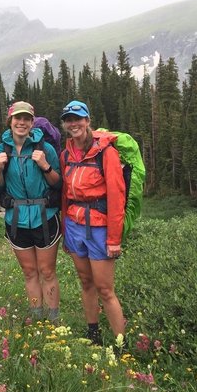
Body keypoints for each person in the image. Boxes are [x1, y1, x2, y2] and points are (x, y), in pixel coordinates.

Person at [59, 100, 126, 345]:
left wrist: (114, 239)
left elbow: (117, 197)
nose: (73, 123)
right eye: (69, 119)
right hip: (75, 227)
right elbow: (65, 195)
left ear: (87, 121)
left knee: (105, 289)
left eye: (78, 118)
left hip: (99, 229)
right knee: (86, 282)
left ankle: (121, 345)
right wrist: (66, 231)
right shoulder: (66, 154)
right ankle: (93, 334)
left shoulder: (105, 153)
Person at [0, 101, 63, 322]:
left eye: (26, 119)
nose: (21, 123)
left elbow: (58, 184)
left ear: (32, 122)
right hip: (16, 220)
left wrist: (45, 166)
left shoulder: (46, 149)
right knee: (30, 272)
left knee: (48, 272)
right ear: (10, 121)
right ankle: (36, 317)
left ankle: (53, 320)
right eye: (17, 118)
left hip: (45, 217)